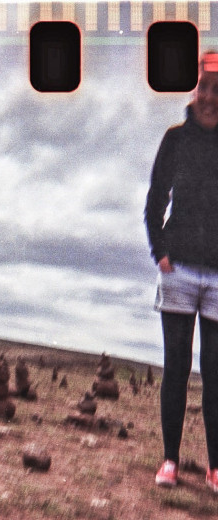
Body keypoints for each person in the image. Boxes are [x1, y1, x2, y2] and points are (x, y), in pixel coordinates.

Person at [145, 51, 218, 492]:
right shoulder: (175, 139)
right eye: (204, 87)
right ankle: (170, 461)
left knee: (216, 374)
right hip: (179, 272)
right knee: (176, 368)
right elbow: (156, 198)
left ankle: (214, 468)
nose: (209, 97)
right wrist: (160, 252)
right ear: (195, 90)